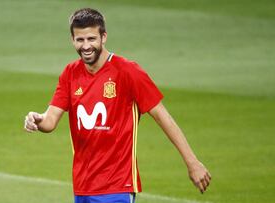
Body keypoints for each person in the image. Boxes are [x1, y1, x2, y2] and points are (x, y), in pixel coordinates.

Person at [24, 8, 211, 203]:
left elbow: (162, 116)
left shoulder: (128, 71)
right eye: (80, 40)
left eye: (91, 39)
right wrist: (36, 120)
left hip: (117, 186)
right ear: (72, 40)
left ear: (103, 37)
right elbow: (50, 121)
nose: (86, 46)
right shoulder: (70, 73)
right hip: (82, 187)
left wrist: (192, 162)